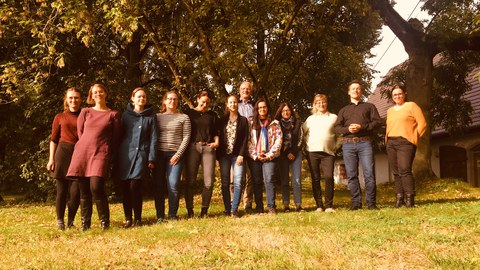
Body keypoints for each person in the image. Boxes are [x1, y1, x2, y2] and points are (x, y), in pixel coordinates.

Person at [67, 83, 121, 230]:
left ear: (105, 93)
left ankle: (104, 221)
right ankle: (86, 223)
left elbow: (116, 138)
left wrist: (109, 154)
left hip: (100, 153)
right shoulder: (86, 111)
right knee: (83, 190)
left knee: (96, 187)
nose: (98, 94)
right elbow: (80, 133)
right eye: (95, 92)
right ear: (91, 95)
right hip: (82, 153)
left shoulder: (113, 114)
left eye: (101, 91)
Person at [334, 80, 381, 210]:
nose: (355, 90)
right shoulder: (343, 110)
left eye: (358, 88)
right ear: (349, 92)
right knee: (351, 175)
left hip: (365, 142)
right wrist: (348, 129)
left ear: (361, 91)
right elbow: (337, 128)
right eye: (353, 89)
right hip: (348, 145)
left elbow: (377, 122)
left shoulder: (369, 107)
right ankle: (356, 204)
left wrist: (362, 127)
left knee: (369, 174)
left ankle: (371, 204)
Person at [116, 88, 158, 228]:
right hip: (125, 156)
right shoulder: (125, 115)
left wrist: (151, 158)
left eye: (144, 96)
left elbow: (154, 138)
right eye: (139, 96)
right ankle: (128, 218)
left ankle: (138, 219)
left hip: (141, 155)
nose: (142, 99)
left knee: (135, 186)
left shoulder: (151, 117)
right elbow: (119, 135)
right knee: (125, 187)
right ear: (133, 98)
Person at [386, 84, 426, 208]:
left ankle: (410, 198)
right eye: (395, 95)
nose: (397, 96)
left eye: (399, 93)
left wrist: (413, 137)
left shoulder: (411, 106)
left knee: (404, 169)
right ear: (392, 97)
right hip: (391, 142)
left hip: (405, 142)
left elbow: (422, 124)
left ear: (404, 94)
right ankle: (399, 198)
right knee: (396, 172)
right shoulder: (390, 111)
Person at [47, 87, 81, 230]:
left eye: (76, 97)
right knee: (61, 191)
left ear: (80, 99)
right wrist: (51, 159)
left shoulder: (85, 115)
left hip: (79, 155)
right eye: (71, 98)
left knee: (75, 193)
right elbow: (53, 139)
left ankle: (70, 221)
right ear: (66, 100)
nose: (73, 100)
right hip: (62, 153)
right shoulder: (59, 117)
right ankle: (60, 221)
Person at [153, 91, 190, 221]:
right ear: (164, 101)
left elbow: (186, 137)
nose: (172, 101)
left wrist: (178, 154)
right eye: (169, 99)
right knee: (158, 185)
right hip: (159, 155)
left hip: (176, 155)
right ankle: (160, 216)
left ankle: (172, 214)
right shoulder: (157, 117)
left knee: (173, 184)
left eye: (175, 99)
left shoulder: (184, 117)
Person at [184, 90, 219, 218]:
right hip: (192, 148)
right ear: (198, 99)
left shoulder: (212, 115)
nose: (205, 104)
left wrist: (216, 142)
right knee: (190, 181)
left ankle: (204, 210)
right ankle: (190, 211)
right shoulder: (189, 113)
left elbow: (216, 131)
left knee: (208, 182)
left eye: (208, 103)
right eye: (203, 102)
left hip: (208, 148)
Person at [303, 94, 338, 213]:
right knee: (315, 178)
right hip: (312, 151)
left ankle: (328, 205)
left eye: (323, 102)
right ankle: (319, 205)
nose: (321, 104)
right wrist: (306, 145)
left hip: (328, 152)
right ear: (315, 105)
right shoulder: (310, 119)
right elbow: (302, 133)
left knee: (328, 177)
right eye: (318, 102)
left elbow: (340, 135)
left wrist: (335, 146)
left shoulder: (333, 117)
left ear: (326, 103)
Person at [248, 98, 283, 214]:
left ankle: (271, 206)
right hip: (256, 157)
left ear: (267, 108)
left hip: (270, 157)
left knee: (269, 179)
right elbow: (248, 141)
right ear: (257, 110)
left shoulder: (275, 123)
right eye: (260, 108)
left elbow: (279, 140)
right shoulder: (251, 122)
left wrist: (269, 155)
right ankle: (259, 207)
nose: (262, 109)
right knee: (257, 181)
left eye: (264, 107)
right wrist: (256, 155)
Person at [217, 95, 249, 217]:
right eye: (230, 102)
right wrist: (218, 155)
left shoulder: (243, 120)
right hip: (224, 156)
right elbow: (217, 136)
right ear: (227, 104)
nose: (233, 104)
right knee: (225, 182)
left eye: (235, 102)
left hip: (237, 156)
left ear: (238, 104)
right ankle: (227, 208)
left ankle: (234, 209)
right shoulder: (222, 120)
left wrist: (241, 154)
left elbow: (245, 139)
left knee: (238, 181)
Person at [274, 102, 303, 212]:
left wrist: (294, 153)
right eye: (283, 111)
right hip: (282, 155)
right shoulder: (276, 125)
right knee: (284, 180)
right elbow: (276, 140)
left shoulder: (298, 123)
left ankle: (298, 205)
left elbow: (301, 139)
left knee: (296, 180)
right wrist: (286, 153)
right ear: (280, 112)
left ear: (291, 111)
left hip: (296, 153)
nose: (286, 112)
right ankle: (286, 205)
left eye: (288, 110)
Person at [237, 81, 255, 212]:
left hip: (253, 144)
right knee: (236, 177)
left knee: (250, 176)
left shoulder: (255, 106)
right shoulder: (234, 105)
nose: (245, 91)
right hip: (238, 145)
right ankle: (233, 203)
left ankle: (247, 204)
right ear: (239, 90)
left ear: (251, 91)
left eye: (248, 89)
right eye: (243, 88)